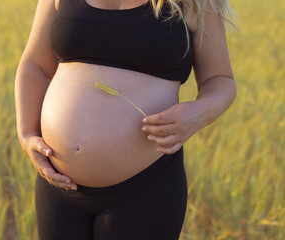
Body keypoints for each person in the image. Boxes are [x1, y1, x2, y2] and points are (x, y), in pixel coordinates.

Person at [15, 0, 236, 239]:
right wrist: (26, 134)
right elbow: (35, 65)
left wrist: (198, 113)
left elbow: (220, 79)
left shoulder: (197, 3)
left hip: (146, 189)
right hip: (57, 185)